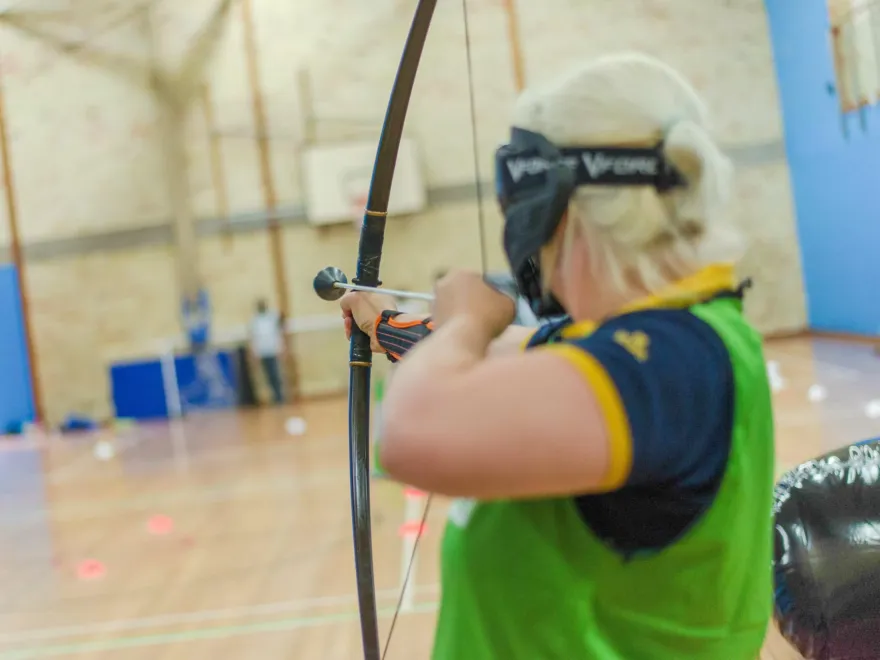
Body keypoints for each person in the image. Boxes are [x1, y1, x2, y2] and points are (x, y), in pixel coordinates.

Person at [340, 52, 774, 659]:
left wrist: (465, 320)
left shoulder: (672, 361)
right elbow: (508, 355)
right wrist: (385, 322)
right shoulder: (642, 347)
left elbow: (411, 434)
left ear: (561, 211)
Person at [249, 298, 284, 405]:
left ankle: (280, 397)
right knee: (267, 376)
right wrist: (254, 354)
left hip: (273, 351)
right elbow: (254, 338)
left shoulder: (272, 317)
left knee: (276, 375)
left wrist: (281, 349)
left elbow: (279, 331)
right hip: (262, 352)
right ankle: (274, 397)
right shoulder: (254, 321)